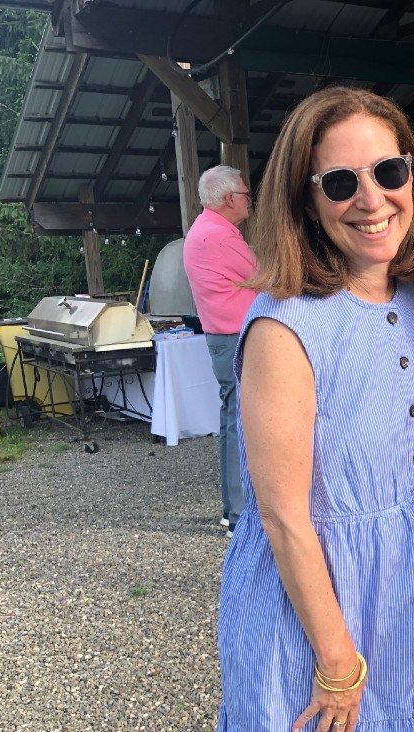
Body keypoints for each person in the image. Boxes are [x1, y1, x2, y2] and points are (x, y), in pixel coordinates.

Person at [216, 87, 414, 732]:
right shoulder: (286, 325)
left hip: (403, 600)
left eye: (389, 172)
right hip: (315, 615)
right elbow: (283, 516)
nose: (372, 199)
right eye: (341, 182)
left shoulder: (413, 297)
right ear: (306, 201)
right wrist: (337, 658)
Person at [183, 164, 257, 537]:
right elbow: (265, 275)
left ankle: (233, 511)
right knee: (241, 424)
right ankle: (240, 514)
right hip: (236, 339)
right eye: (245, 194)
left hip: (223, 338)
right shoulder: (220, 236)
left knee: (232, 421)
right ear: (229, 199)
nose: (248, 200)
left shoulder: (203, 229)